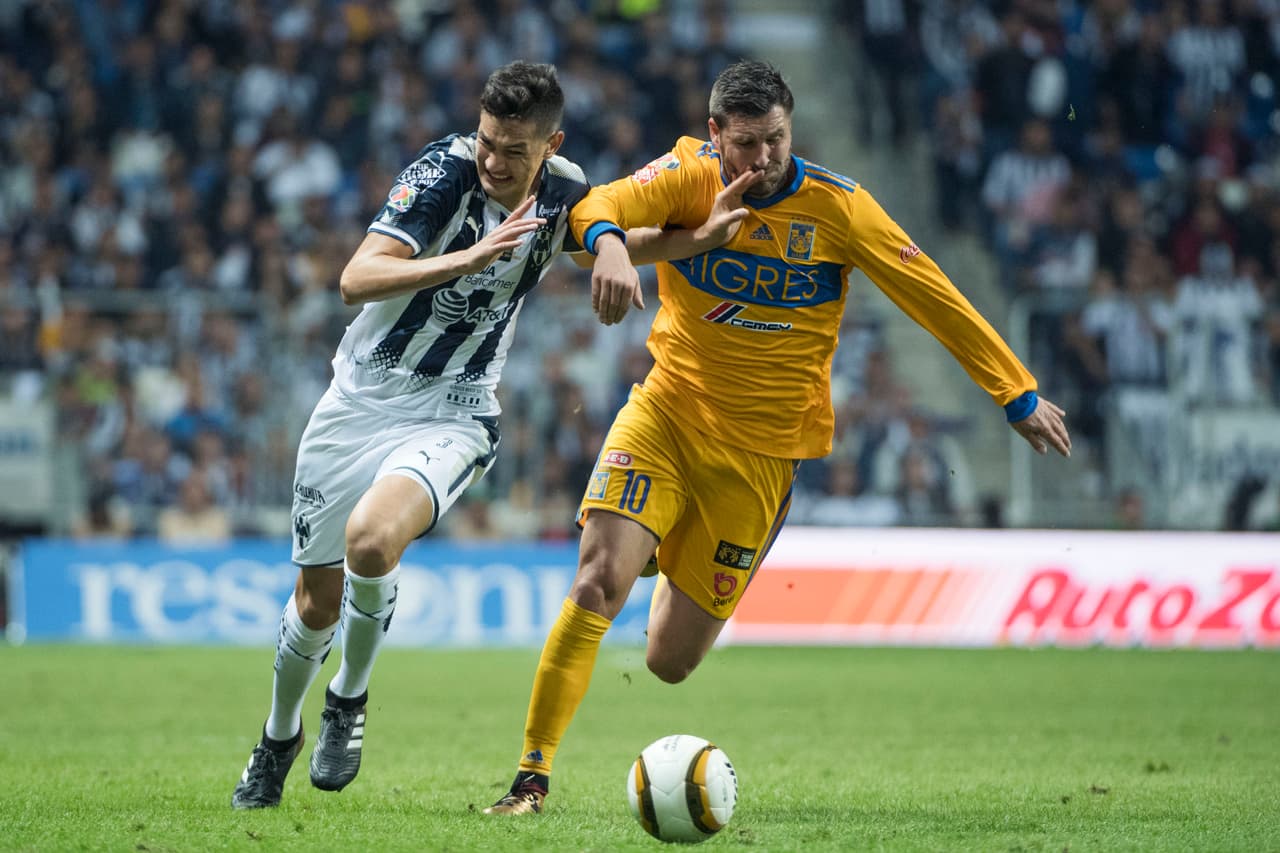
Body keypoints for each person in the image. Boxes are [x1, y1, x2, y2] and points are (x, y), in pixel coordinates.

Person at [483, 59, 1072, 815]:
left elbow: (932, 295)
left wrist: (1015, 390)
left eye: (777, 139)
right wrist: (614, 247)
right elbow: (597, 203)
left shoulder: (840, 209)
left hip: (761, 457)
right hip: (667, 414)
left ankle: (664, 537)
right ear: (714, 134)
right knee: (597, 581)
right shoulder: (687, 174)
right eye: (747, 143)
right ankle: (530, 779)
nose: (763, 158)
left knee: (668, 661)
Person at [230, 60, 754, 810]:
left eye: (514, 150)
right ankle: (278, 736)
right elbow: (355, 278)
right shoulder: (441, 175)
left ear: (550, 146)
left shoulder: (566, 190)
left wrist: (700, 236)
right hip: (358, 400)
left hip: (456, 410)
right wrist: (467, 258)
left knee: (371, 543)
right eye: (486, 141)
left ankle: (348, 696)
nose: (494, 161)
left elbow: (610, 241)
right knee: (315, 601)